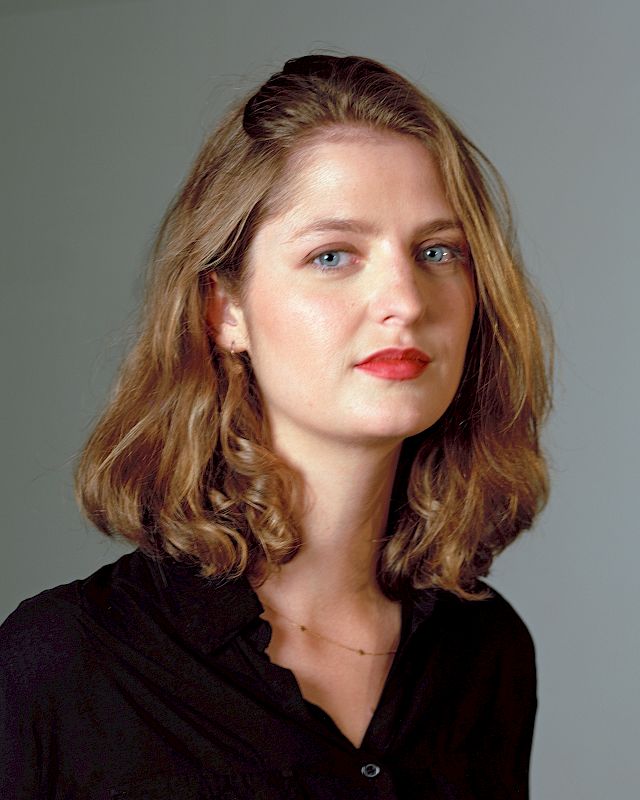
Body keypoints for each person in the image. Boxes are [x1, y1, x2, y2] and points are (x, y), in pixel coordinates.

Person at [0, 54, 551, 799]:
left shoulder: (487, 654)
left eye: (436, 252)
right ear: (224, 310)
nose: (405, 300)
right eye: (333, 255)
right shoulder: (62, 665)